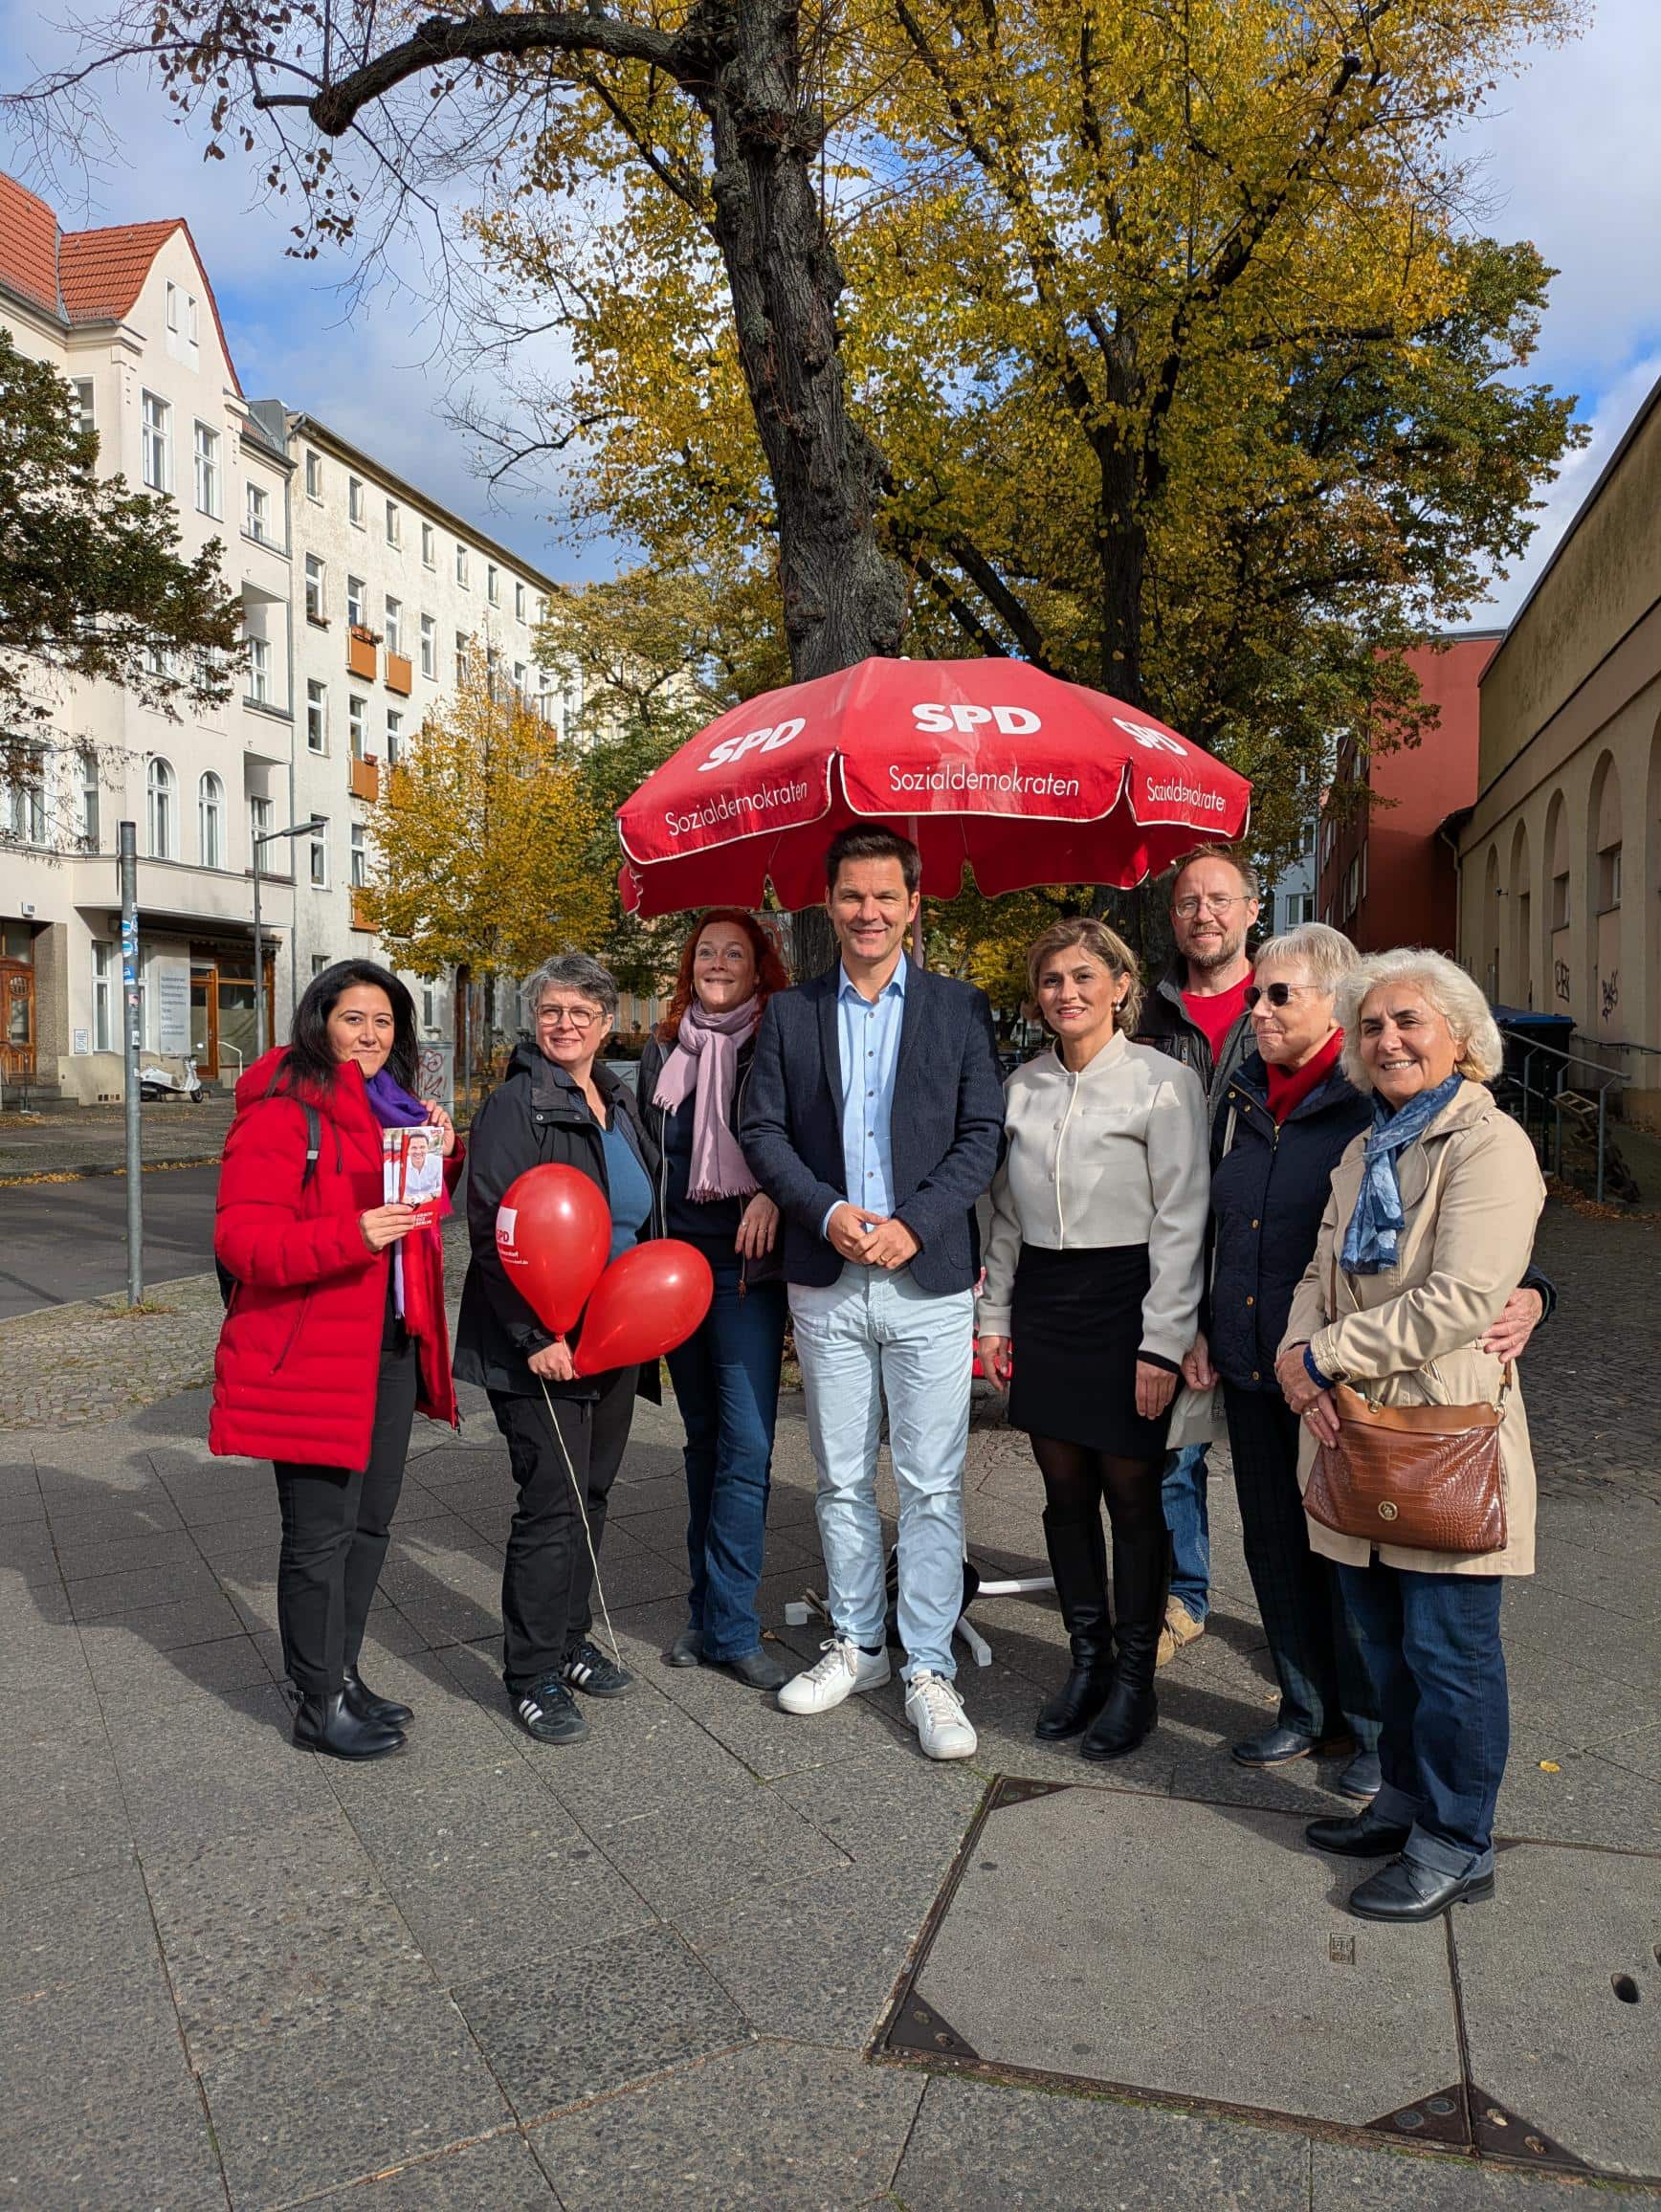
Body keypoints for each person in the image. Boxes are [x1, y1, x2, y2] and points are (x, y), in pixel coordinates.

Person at [1277, 948, 1545, 1922]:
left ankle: (1456, 1840)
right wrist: (1293, 1349)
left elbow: (1461, 1298)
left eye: (1407, 1021)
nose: (1386, 1039)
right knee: (1384, 1646)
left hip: (1440, 1433)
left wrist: (1323, 1356)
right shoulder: (1364, 1148)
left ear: (1461, 1036)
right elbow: (1316, 1267)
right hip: (1351, 1427)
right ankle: (1399, 1798)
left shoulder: (1488, 1145)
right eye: (1370, 1026)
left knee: (1448, 1654)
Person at [741, 825, 1004, 1759]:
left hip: (924, 1278)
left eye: (885, 896)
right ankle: (857, 1643)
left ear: (912, 903)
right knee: (843, 1478)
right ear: (828, 904)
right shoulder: (791, 1014)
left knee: (931, 1484)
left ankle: (926, 1660)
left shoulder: (959, 1009)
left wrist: (914, 1221)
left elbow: (980, 1135)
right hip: (827, 1278)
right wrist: (821, 1210)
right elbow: (760, 1128)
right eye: (851, 895)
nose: (867, 912)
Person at [210, 960, 462, 1760]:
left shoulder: (392, 1110)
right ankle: (316, 1704)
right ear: (319, 1022)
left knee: (370, 1523)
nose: (370, 1036)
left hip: (389, 1339)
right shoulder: (285, 1113)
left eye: (383, 1022)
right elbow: (241, 1242)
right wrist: (349, 1236)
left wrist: (441, 1156)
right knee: (319, 1535)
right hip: (313, 1350)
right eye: (353, 1019)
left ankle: (341, 1672)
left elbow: (410, 1213)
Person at [979, 919, 1208, 1759]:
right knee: (1064, 1492)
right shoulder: (1022, 1086)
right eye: (1050, 981)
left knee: (1134, 1497)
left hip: (1127, 1300)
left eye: (1084, 977)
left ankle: (1137, 1682)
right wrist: (994, 1317)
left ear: (1121, 984)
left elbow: (1184, 1217)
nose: (1066, 993)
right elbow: (1002, 1213)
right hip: (1046, 1299)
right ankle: (1087, 1662)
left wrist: (1162, 1341)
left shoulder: (1164, 1082)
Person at [454, 954, 659, 1746]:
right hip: (543, 1341)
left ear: (607, 1022)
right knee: (551, 1502)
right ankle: (531, 1672)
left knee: (594, 1494)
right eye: (552, 1011)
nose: (566, 1023)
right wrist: (535, 1334)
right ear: (534, 1021)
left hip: (615, 1331)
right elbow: (490, 1227)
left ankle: (571, 1642)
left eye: (582, 1011)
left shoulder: (616, 1098)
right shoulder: (517, 1105)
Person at [638, 909, 792, 1690]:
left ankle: (732, 1623)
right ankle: (705, 1613)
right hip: (674, 1266)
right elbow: (642, 1152)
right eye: (706, 951)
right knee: (702, 1440)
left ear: (760, 964)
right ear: (688, 964)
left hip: (743, 1268)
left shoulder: (780, 1037)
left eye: (735, 951)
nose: (719, 962)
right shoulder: (665, 1049)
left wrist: (774, 1193)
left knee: (748, 1447)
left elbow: (805, 1134)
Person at [1133, 844, 1261, 1668]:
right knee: (1174, 1447)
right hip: (1171, 1255)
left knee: (1273, 1459)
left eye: (1220, 899)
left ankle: (1298, 1618)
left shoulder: (1288, 1001)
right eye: (1187, 903)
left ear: (1253, 909)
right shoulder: (1147, 1015)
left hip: (1261, 1260)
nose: (1204, 915)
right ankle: (1184, 1595)